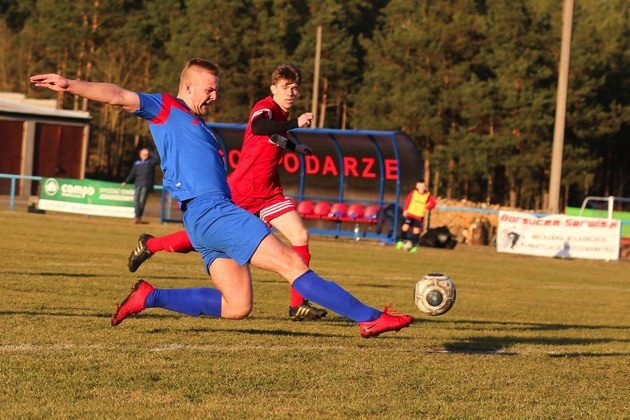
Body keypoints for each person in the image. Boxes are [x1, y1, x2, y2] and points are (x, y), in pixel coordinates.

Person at [30, 58, 414, 338]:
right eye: (209, 88)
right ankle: (368, 317)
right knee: (292, 262)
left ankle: (150, 295)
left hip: (202, 219)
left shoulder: (202, 128)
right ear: (188, 86)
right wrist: (70, 85)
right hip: (214, 213)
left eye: (217, 89)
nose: (214, 95)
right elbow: (118, 95)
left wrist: (289, 145)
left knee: (237, 306)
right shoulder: (165, 107)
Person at [126, 64, 327, 321]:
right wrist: (295, 124)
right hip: (243, 190)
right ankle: (150, 244)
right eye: (285, 88)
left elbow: (273, 137)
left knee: (300, 234)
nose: (291, 93)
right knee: (201, 239)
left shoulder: (280, 119)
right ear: (273, 89)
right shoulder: (265, 108)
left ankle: (297, 305)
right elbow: (260, 128)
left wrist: (294, 147)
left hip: (269, 192)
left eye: (295, 88)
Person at [396, 180, 436, 253]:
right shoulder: (413, 193)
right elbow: (408, 201)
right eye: (420, 186)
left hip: (419, 216)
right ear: (417, 186)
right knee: (405, 226)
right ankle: (400, 241)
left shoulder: (428, 195)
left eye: (423, 186)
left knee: (416, 230)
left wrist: (429, 206)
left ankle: (414, 246)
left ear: (425, 187)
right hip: (410, 213)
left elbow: (433, 203)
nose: (422, 188)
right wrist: (405, 210)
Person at [121, 147, 158, 223]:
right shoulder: (137, 163)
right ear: (140, 155)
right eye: (143, 154)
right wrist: (126, 181)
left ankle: (137, 217)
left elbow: (157, 158)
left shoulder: (150, 162)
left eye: (146, 154)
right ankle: (137, 217)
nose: (145, 155)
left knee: (141, 201)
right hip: (138, 184)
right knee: (136, 201)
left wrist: (149, 152)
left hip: (146, 185)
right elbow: (132, 174)